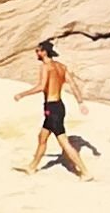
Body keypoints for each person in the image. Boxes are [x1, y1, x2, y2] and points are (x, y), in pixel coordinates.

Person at [25, 40, 87, 176]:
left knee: (64, 142)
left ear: (44, 52)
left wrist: (22, 94)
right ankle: (32, 167)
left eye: (38, 51)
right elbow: (73, 85)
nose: (36, 53)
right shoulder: (61, 67)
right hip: (58, 107)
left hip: (52, 109)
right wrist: (80, 103)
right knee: (42, 137)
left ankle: (85, 172)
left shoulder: (46, 67)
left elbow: (41, 87)